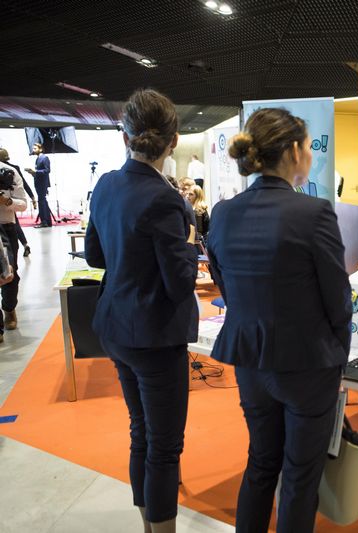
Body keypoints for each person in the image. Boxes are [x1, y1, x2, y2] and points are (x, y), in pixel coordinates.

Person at [207, 108, 352, 533]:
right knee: (300, 478)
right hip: (308, 364)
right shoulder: (314, 212)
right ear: (292, 151)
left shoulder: (224, 212)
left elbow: (224, 284)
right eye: (308, 147)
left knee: (261, 463)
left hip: (251, 362)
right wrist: (338, 358)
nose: (311, 155)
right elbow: (338, 299)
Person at [85, 89, 198, 533]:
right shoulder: (165, 199)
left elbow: (95, 256)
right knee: (164, 447)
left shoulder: (106, 185)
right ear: (174, 141)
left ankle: (148, 527)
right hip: (155, 336)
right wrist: (189, 245)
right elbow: (180, 283)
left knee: (141, 433)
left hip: (116, 327)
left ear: (124, 136)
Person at [0, 158, 28, 340]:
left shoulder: (8, 172)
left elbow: (23, 204)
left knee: (9, 272)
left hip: (5, 226)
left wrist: (6, 201)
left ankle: (9, 308)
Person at [0, 148, 33, 257]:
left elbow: (22, 203)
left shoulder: (12, 170)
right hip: (8, 223)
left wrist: (7, 201)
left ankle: (25, 244)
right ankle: (25, 244)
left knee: (10, 264)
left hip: (6, 224)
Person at [24, 142, 53, 228]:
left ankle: (44, 221)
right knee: (43, 201)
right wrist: (33, 173)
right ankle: (47, 221)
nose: (33, 150)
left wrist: (36, 172)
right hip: (39, 182)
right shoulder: (38, 158)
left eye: (35, 148)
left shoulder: (44, 158)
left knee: (41, 202)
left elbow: (47, 170)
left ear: (40, 149)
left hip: (42, 183)